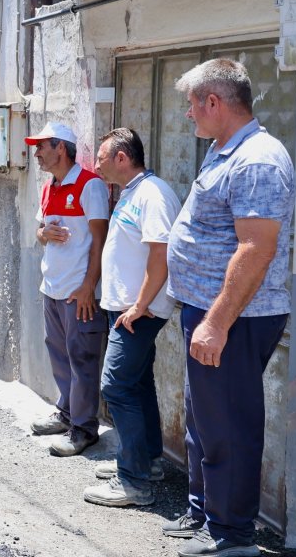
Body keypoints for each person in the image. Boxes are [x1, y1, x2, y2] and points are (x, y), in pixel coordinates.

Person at [161, 59, 294, 557]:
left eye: (192, 104)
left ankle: (232, 536)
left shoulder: (257, 158)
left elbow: (256, 248)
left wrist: (216, 322)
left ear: (214, 102)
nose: (188, 115)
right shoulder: (224, 150)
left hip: (235, 317)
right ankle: (205, 513)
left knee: (229, 425)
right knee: (205, 419)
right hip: (210, 309)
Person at [82, 128, 181, 509]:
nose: (97, 164)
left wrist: (139, 306)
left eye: (103, 157)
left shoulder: (153, 195)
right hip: (128, 308)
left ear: (122, 158)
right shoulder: (132, 193)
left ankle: (133, 481)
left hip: (138, 312)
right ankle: (148, 461)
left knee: (116, 387)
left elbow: (161, 254)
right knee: (137, 385)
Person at [27, 122, 110, 457]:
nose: (36, 154)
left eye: (41, 147)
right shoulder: (49, 186)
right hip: (53, 287)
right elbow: (39, 232)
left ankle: (85, 429)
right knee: (59, 354)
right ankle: (66, 414)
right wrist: (45, 234)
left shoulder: (90, 185)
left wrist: (89, 286)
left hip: (79, 292)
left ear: (61, 148)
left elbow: (101, 240)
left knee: (83, 359)